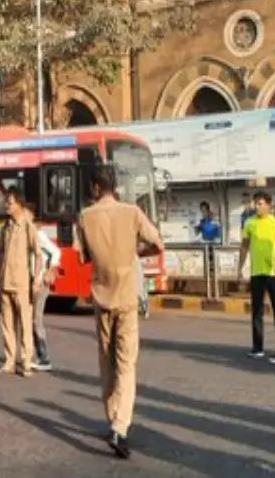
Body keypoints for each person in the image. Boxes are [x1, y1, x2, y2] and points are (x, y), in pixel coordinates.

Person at [74, 165, 164, 459]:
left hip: (101, 297)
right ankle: (120, 426)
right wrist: (134, 254)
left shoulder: (85, 216)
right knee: (126, 363)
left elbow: (82, 256)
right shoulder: (133, 212)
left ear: (97, 188)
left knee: (106, 361)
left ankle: (111, 415)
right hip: (127, 296)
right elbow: (157, 244)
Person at [237, 193, 275, 361]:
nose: (257, 207)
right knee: (257, 311)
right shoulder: (249, 223)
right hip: (256, 272)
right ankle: (257, 347)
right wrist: (240, 268)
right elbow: (244, 246)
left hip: (273, 272)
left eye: (260, 204)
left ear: (268, 205)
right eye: (256, 204)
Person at [0, 189, 42, 377]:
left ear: (19, 204)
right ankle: (9, 360)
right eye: (6, 202)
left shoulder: (27, 225)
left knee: (24, 323)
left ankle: (26, 362)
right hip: (5, 281)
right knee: (7, 324)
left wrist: (37, 279)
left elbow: (38, 253)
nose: (7, 205)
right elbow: (0, 250)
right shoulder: (5, 226)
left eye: (10, 202)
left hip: (22, 282)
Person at [31, 220, 62, 371]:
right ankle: (35, 354)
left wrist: (50, 270)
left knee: (36, 319)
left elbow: (56, 251)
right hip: (34, 281)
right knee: (32, 319)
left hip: (41, 283)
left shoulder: (38, 235)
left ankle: (43, 357)